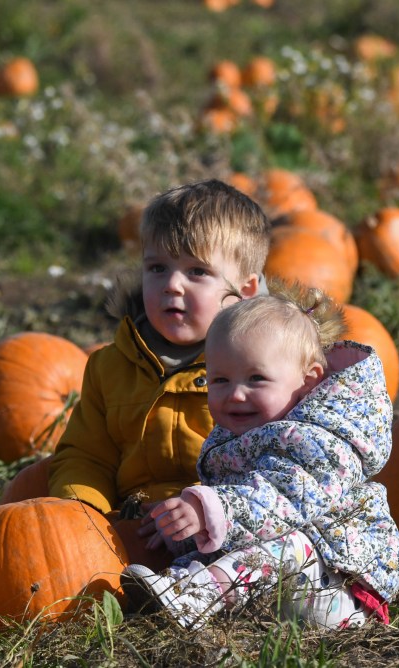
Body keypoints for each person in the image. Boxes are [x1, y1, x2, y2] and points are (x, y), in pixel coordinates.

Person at [121, 281, 399, 631]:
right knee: (240, 545)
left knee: (284, 542)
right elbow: (244, 519)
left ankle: (196, 595)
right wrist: (184, 530)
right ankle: (180, 588)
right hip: (292, 583)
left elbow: (277, 501)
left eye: (256, 378)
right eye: (220, 380)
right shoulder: (242, 435)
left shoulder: (319, 442)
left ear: (308, 380)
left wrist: (211, 509)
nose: (235, 395)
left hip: (341, 587)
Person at [47, 178, 271, 520]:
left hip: (223, 529)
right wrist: (84, 511)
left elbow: (280, 463)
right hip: (128, 526)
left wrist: (214, 512)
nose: (171, 285)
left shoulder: (264, 371)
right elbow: (87, 455)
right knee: (36, 489)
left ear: (246, 290)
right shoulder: (110, 367)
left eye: (197, 271)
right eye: (157, 268)